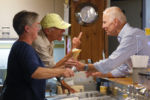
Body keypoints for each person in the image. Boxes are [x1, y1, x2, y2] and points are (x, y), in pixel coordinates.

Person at [2, 10, 74, 100]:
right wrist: (61, 71)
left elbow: (41, 71)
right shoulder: (24, 47)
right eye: (36, 26)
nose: (38, 29)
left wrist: (61, 78)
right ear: (27, 29)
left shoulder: (23, 46)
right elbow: (36, 72)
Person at [66, 6, 150, 78]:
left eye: (104, 22)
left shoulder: (131, 35)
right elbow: (124, 68)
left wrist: (86, 67)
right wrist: (101, 74)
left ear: (115, 22)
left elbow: (112, 62)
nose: (103, 26)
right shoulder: (125, 36)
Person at [32, 13, 82, 93]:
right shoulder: (39, 42)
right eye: (60, 28)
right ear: (48, 31)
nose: (63, 31)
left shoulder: (50, 41)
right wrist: (72, 50)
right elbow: (51, 68)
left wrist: (63, 84)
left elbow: (52, 68)